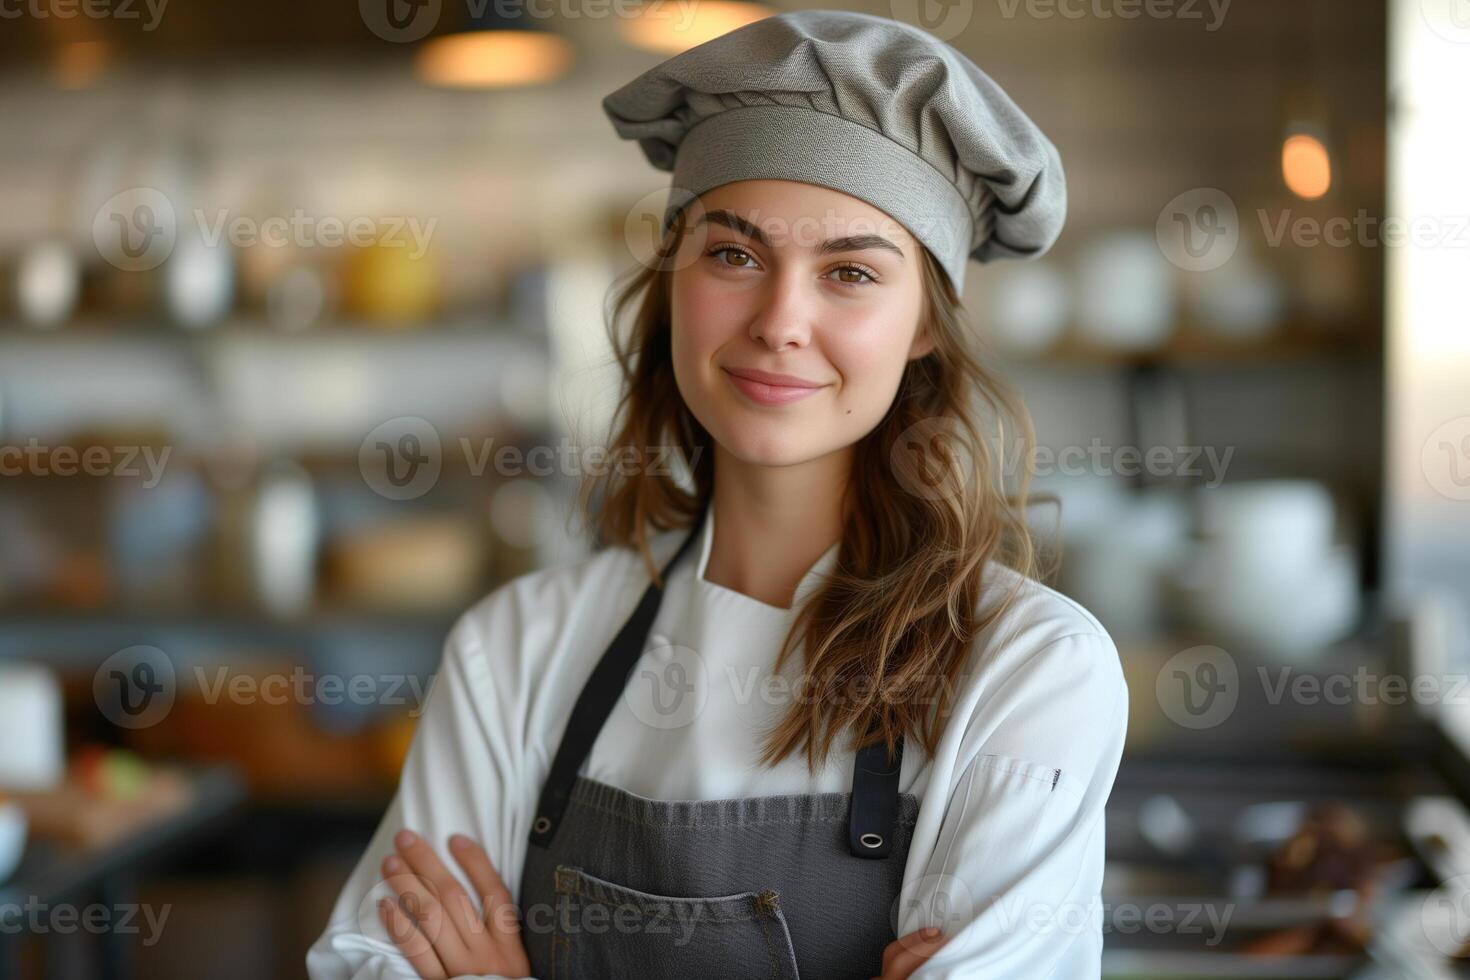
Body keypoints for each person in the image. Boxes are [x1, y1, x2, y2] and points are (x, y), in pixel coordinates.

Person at [307, 9, 1127, 979]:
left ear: (924, 328)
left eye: (852, 272)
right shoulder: (516, 650)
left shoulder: (1028, 672)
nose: (782, 320)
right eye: (735, 253)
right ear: (673, 280)